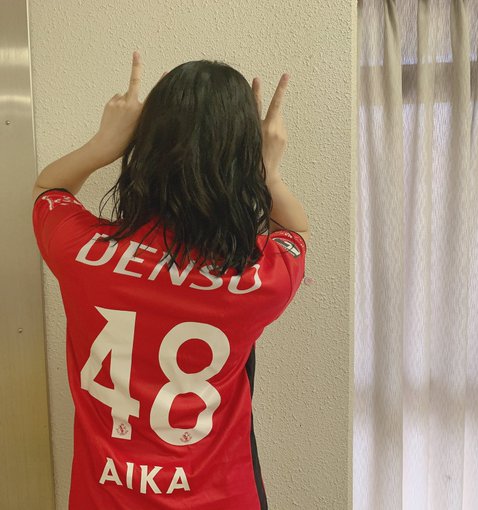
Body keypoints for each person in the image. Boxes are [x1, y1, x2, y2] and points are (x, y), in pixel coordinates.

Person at [32, 51, 309, 510]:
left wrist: (102, 144)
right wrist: (269, 174)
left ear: (143, 146)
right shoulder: (259, 278)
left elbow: (48, 190)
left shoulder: (81, 251)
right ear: (243, 162)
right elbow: (295, 234)